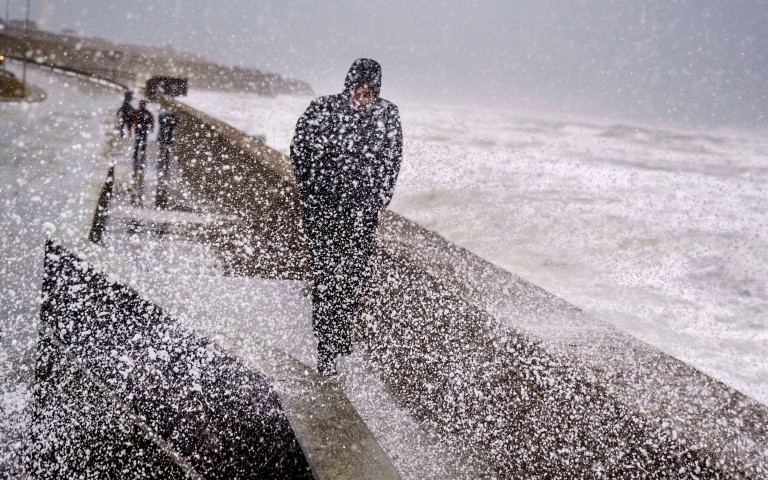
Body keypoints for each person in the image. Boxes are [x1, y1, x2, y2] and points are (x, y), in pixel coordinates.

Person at [290, 58, 403, 377]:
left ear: (377, 91)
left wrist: (380, 199)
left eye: (369, 92)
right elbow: (299, 149)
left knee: (354, 277)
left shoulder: (387, 114)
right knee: (326, 278)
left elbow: (392, 161)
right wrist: (311, 190)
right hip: (323, 211)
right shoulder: (322, 108)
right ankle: (326, 350)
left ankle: (338, 332)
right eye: (358, 90)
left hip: (361, 214)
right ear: (348, 85)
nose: (362, 97)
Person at [131, 100, 154, 206]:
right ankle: (138, 154)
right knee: (139, 144)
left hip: (142, 131)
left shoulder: (144, 113)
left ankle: (139, 154)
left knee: (141, 144)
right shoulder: (141, 113)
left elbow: (151, 120)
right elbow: (135, 121)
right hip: (141, 131)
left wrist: (150, 127)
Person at [156, 106, 178, 209]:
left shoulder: (170, 121)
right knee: (162, 148)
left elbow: (175, 123)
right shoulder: (164, 120)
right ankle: (163, 158)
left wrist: (172, 117)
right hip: (164, 136)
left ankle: (165, 158)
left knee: (166, 148)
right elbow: (161, 121)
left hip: (167, 137)